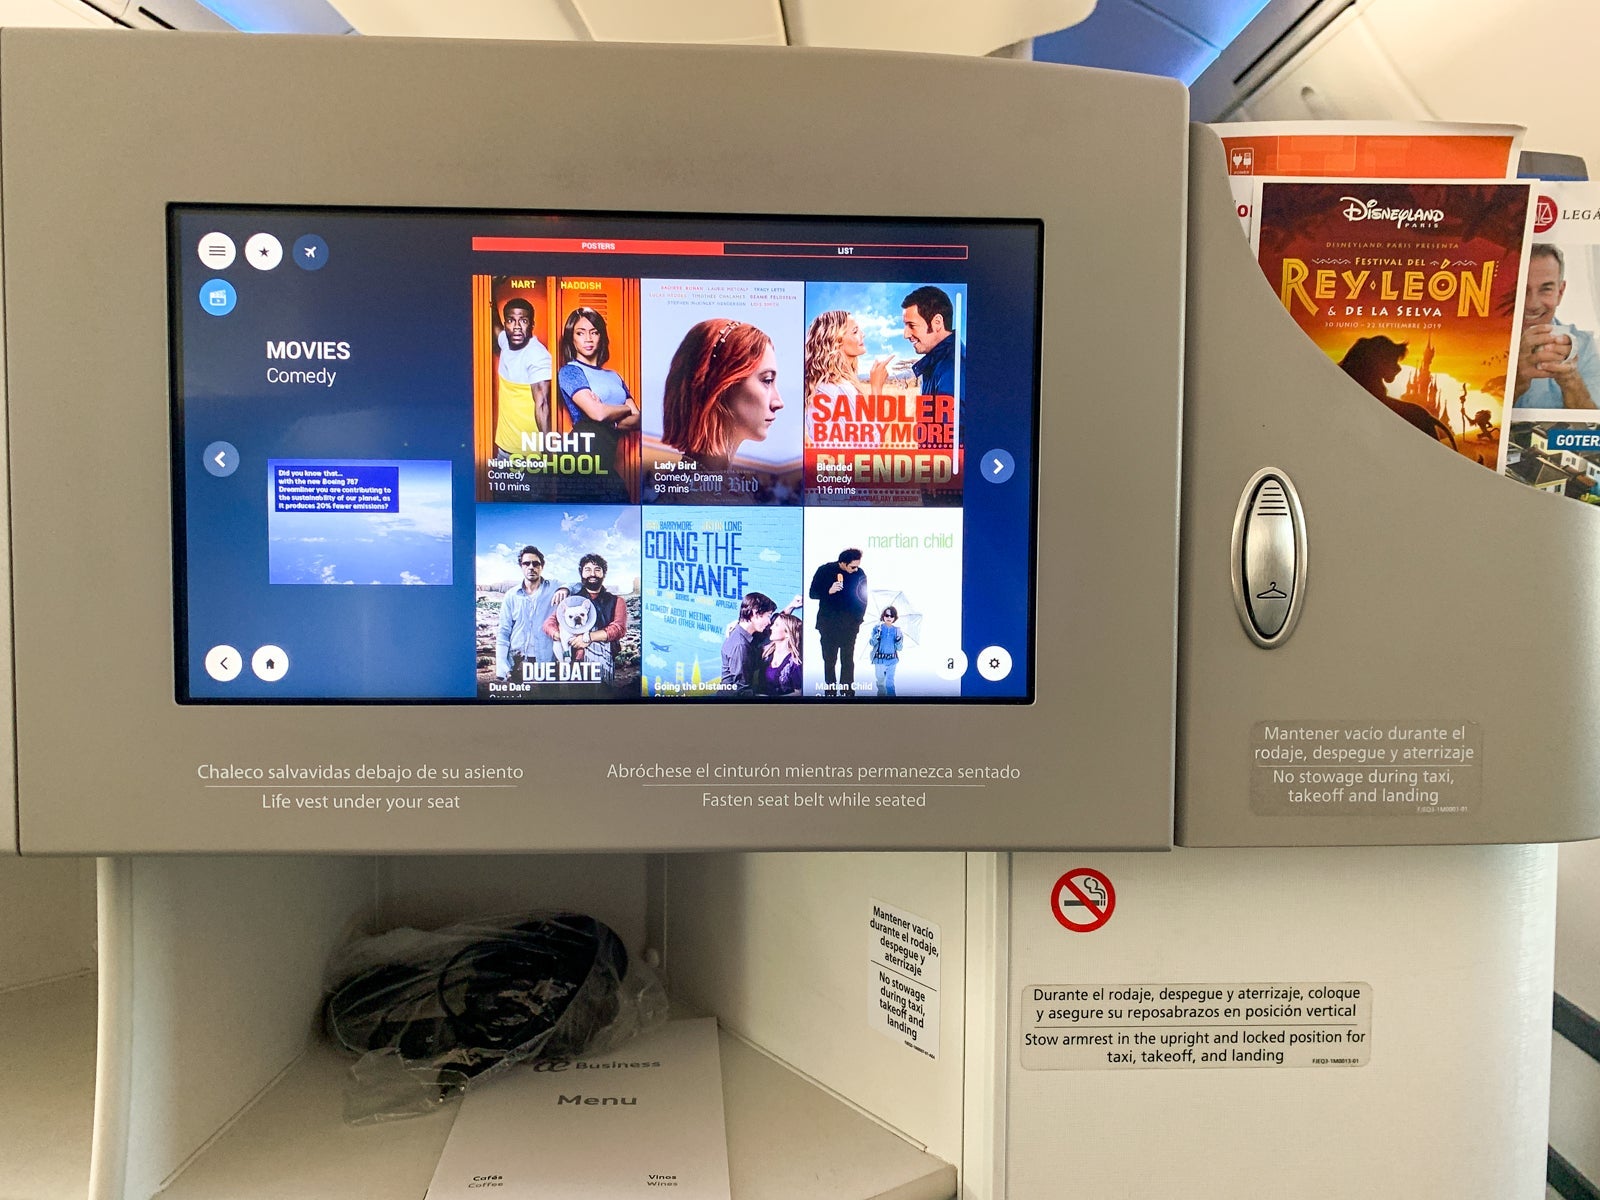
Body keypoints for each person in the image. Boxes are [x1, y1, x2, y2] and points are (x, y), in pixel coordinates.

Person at [662, 318, 784, 474]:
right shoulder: (688, 487)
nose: (778, 402)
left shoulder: (726, 482)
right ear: (721, 385)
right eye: (767, 380)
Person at [1513, 243, 1600, 410]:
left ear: (1560, 292)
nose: (1532, 304)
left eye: (1546, 289)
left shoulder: (1584, 345)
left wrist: (1571, 380)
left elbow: (1594, 424)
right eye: (1521, 289)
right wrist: (1513, 382)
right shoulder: (1482, 343)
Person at [541, 552, 626, 684]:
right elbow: (549, 623)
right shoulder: (570, 601)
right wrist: (561, 636)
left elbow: (619, 628)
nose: (592, 574)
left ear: (604, 574)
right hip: (573, 664)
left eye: (597, 570)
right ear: (581, 573)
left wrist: (589, 638)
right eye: (587, 570)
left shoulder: (617, 601)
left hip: (603, 663)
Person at [494, 546, 569, 681]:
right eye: (526, 563)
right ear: (521, 566)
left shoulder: (553, 587)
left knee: (550, 693)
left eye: (535, 563)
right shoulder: (511, 595)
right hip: (517, 659)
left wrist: (565, 589)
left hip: (546, 658)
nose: (531, 567)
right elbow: (504, 631)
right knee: (518, 693)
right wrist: (501, 663)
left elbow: (577, 585)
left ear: (542, 566)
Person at [492, 297, 554, 458]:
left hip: (530, 455)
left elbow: (542, 404)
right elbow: (496, 329)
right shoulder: (506, 342)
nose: (517, 327)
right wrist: (491, 300)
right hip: (504, 450)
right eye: (511, 321)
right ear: (505, 324)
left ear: (532, 325)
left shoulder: (537, 355)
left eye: (523, 321)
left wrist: (548, 454)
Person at [808, 548, 868, 696]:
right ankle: (830, 691)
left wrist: (857, 621)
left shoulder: (859, 574)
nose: (855, 570)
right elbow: (812, 593)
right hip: (828, 625)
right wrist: (828, 591)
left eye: (857, 566)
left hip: (850, 626)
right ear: (842, 563)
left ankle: (847, 690)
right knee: (829, 660)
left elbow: (863, 598)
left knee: (847, 659)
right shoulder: (824, 570)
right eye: (852, 567)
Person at [804, 310, 890, 399]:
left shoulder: (831, 385)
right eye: (855, 331)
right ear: (835, 341)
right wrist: (876, 388)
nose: (863, 334)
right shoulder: (839, 389)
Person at [900, 285, 965, 403]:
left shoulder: (952, 369)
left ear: (937, 322)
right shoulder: (936, 363)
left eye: (912, 325)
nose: (906, 334)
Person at [720, 591, 777, 695]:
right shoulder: (741, 646)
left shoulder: (742, 632)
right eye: (768, 616)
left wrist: (791, 606)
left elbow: (778, 625)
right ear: (755, 613)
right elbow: (742, 690)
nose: (769, 622)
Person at [754, 611, 803, 697]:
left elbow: (799, 692)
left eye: (776, 625)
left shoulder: (795, 663)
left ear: (787, 633)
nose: (771, 627)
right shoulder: (765, 653)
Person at [867, 605, 903, 697]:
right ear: (883, 616)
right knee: (880, 683)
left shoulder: (897, 631)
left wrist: (898, 640)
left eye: (892, 616)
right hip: (879, 660)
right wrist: (877, 636)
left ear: (895, 618)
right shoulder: (877, 628)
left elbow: (899, 648)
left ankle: (892, 702)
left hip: (892, 660)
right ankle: (881, 701)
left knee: (890, 683)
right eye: (887, 615)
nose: (889, 618)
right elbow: (871, 643)